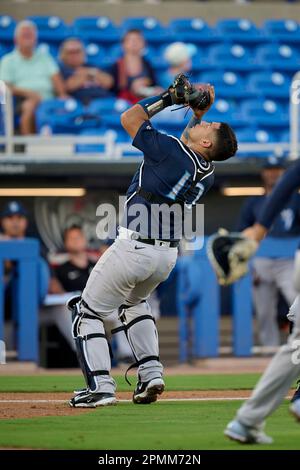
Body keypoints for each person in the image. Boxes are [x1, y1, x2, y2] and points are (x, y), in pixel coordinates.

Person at [67, 76, 237, 408]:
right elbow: (194, 140)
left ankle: (101, 386)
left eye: (209, 126)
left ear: (207, 144)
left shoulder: (173, 153)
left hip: (134, 247)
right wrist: (200, 113)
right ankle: (151, 373)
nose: (204, 124)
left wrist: (167, 98)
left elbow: (130, 118)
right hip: (164, 256)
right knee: (132, 305)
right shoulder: (206, 169)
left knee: (86, 312)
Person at [225, 158, 300, 445]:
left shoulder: (291, 196)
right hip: (271, 260)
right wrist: (257, 233)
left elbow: (292, 176)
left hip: (292, 260)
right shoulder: (257, 200)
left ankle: (247, 421)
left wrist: (257, 231)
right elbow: (293, 176)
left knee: (297, 343)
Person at [237, 156, 300, 347]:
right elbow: (243, 233)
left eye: (277, 169)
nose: (273, 173)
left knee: (295, 302)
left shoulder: (296, 200)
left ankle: (296, 344)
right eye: (269, 169)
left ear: (284, 172)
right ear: (263, 173)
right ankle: (269, 349)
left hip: (289, 260)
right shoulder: (254, 202)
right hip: (261, 260)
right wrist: (249, 263)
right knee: (264, 311)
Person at [0, 20, 66, 134]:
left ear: (36, 39)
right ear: (16, 39)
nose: (28, 38)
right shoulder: (7, 60)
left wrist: (62, 95)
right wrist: (29, 93)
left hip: (49, 99)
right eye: (24, 35)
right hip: (21, 100)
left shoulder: (45, 58)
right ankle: (28, 145)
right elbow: (4, 85)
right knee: (30, 105)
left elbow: (56, 78)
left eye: (30, 35)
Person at [111, 29, 161, 104]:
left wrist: (148, 83)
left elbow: (154, 84)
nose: (134, 42)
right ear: (123, 44)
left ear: (143, 44)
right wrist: (132, 87)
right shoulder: (117, 65)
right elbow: (113, 88)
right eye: (131, 40)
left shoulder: (147, 64)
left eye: (138, 39)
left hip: (145, 103)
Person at [59, 38, 114, 105]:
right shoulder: (62, 69)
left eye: (78, 51)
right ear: (63, 55)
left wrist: (86, 73)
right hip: (81, 103)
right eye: (71, 52)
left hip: (104, 99)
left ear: (83, 53)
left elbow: (109, 82)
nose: (75, 55)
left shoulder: (91, 65)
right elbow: (68, 86)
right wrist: (93, 74)